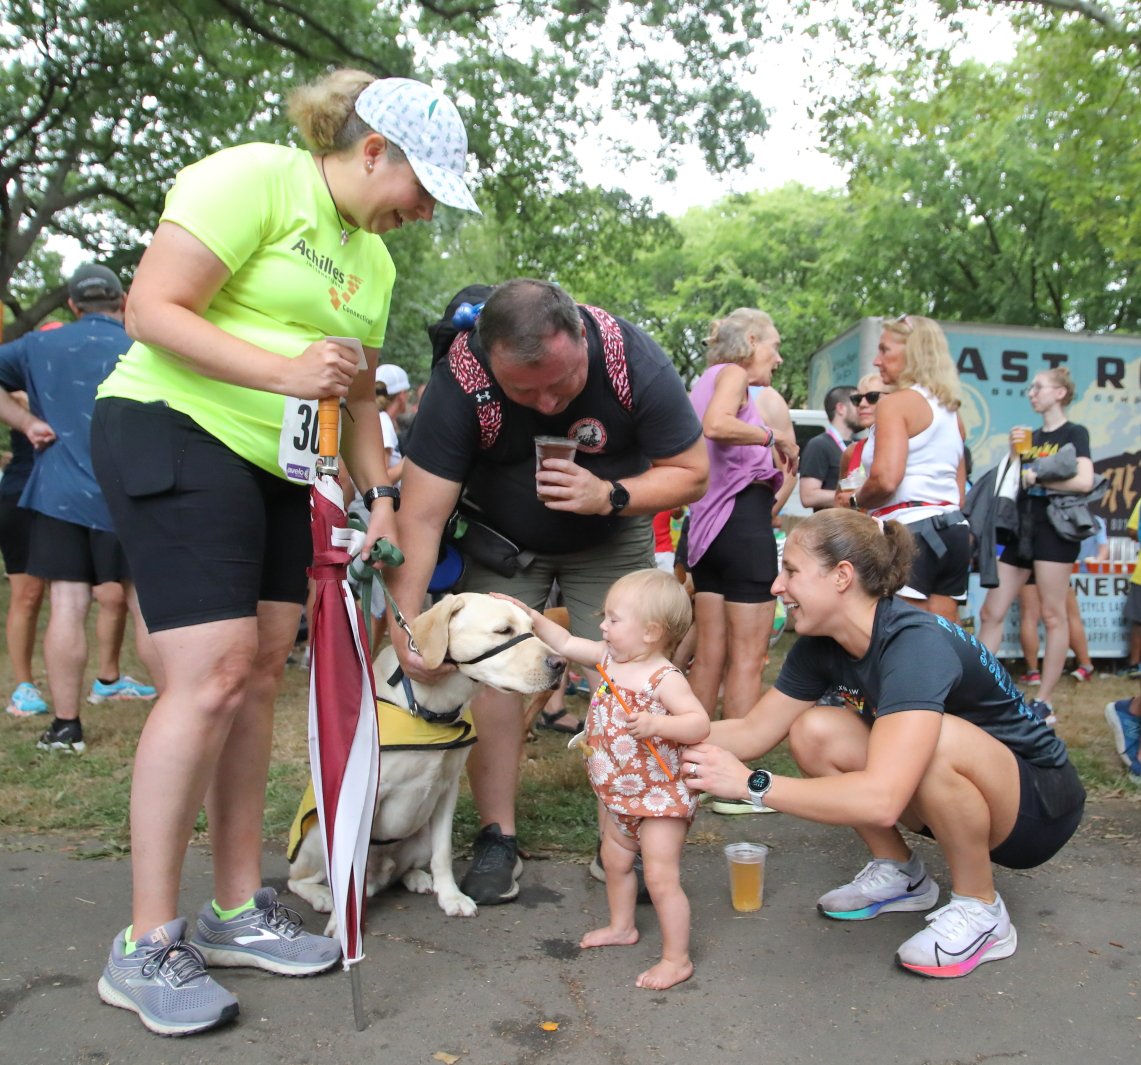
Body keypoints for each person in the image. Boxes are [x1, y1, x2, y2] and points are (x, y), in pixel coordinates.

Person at [88, 71, 479, 1037]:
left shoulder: (373, 266)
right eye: (419, 186)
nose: (422, 210)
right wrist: (281, 369)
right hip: (172, 426)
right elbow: (152, 308)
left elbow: (350, 400)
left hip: (279, 465)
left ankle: (231, 912)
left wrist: (380, 496)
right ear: (373, 148)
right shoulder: (256, 178)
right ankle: (144, 941)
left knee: (262, 671)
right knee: (211, 672)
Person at [386, 277, 708, 907]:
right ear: (489, 360)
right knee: (497, 679)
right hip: (502, 542)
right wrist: (405, 624)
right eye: (523, 390)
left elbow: (693, 472)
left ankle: (627, 833)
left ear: (582, 337)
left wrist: (610, 495)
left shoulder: (632, 361)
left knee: (633, 676)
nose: (547, 402)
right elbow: (420, 518)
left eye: (561, 383)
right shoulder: (460, 381)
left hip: (610, 536)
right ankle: (496, 837)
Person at [683, 509, 1086, 979]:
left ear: (841, 577)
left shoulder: (914, 643)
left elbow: (882, 798)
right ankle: (901, 876)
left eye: (790, 571)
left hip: (1038, 807)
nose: (777, 586)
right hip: (963, 791)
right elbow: (752, 731)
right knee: (814, 731)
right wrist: (653, 729)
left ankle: (981, 909)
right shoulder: (824, 642)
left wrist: (751, 784)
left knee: (933, 742)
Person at [511, 568, 710, 989]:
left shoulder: (664, 679)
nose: (602, 625)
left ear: (651, 632)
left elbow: (698, 724)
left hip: (659, 799)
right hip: (617, 793)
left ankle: (677, 959)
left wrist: (658, 724)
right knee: (616, 862)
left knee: (660, 877)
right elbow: (564, 641)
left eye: (614, 619)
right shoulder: (607, 657)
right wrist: (530, 615)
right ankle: (622, 926)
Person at [0, 265, 158, 751]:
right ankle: (180, 715)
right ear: (123, 299)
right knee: (146, 606)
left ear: (72, 305)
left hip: (60, 492)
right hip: (134, 491)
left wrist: (26, 422)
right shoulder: (147, 342)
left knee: (66, 605)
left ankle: (67, 726)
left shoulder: (37, 346)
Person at [686, 311, 798, 737]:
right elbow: (715, 425)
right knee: (748, 660)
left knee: (710, 656)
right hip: (741, 525)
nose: (779, 357)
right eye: (775, 344)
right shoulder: (733, 374)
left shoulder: (707, 377)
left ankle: (689, 763)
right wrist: (773, 437)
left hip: (708, 532)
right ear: (751, 341)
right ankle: (733, 780)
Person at [978, 367, 1095, 723]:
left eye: (1039, 387)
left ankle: (1044, 701)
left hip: (1054, 531)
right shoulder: (1031, 436)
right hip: (1021, 530)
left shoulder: (1075, 433)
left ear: (1060, 393)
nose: (1032, 393)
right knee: (990, 611)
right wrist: (1016, 458)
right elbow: (1015, 485)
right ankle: (975, 686)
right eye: (1031, 388)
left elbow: (1085, 481)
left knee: (1052, 613)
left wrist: (1038, 476)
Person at [839, 315, 968, 625]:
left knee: (900, 638)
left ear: (913, 353)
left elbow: (886, 479)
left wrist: (854, 501)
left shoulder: (896, 404)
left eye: (885, 350)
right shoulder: (952, 412)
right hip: (953, 531)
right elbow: (959, 492)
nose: (876, 360)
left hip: (909, 530)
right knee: (942, 638)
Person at [1016, 517, 1107, 685]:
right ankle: (1085, 665)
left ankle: (1033, 672)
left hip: (1028, 546)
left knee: (1030, 616)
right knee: (1068, 615)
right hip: (1052, 552)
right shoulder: (1061, 507)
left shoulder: (1025, 501)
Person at [0, 407, 46, 716]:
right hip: (22, 491)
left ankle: (108, 680)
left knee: (108, 594)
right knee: (28, 594)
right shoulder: (17, 367)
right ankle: (24, 687)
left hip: (77, 490)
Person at [799, 384, 860, 511]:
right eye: (857, 401)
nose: (863, 406)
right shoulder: (819, 445)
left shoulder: (861, 445)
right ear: (841, 408)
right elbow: (808, 496)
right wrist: (857, 496)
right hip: (833, 527)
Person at [837, 372, 886, 484]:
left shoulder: (912, 447)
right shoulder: (852, 452)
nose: (862, 404)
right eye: (857, 399)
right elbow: (840, 499)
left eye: (872, 397)